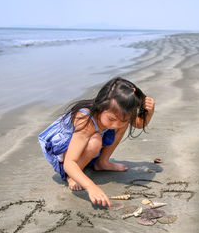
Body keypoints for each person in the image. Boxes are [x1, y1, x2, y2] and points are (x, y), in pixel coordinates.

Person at [38, 77, 155, 208]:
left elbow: (139, 124)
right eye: (111, 119)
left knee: (119, 125)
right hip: (64, 152)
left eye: (121, 119)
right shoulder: (84, 119)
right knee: (94, 141)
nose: (115, 124)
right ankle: (73, 177)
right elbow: (69, 163)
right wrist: (91, 187)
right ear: (100, 106)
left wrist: (149, 112)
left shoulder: (119, 114)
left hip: (86, 145)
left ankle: (102, 162)